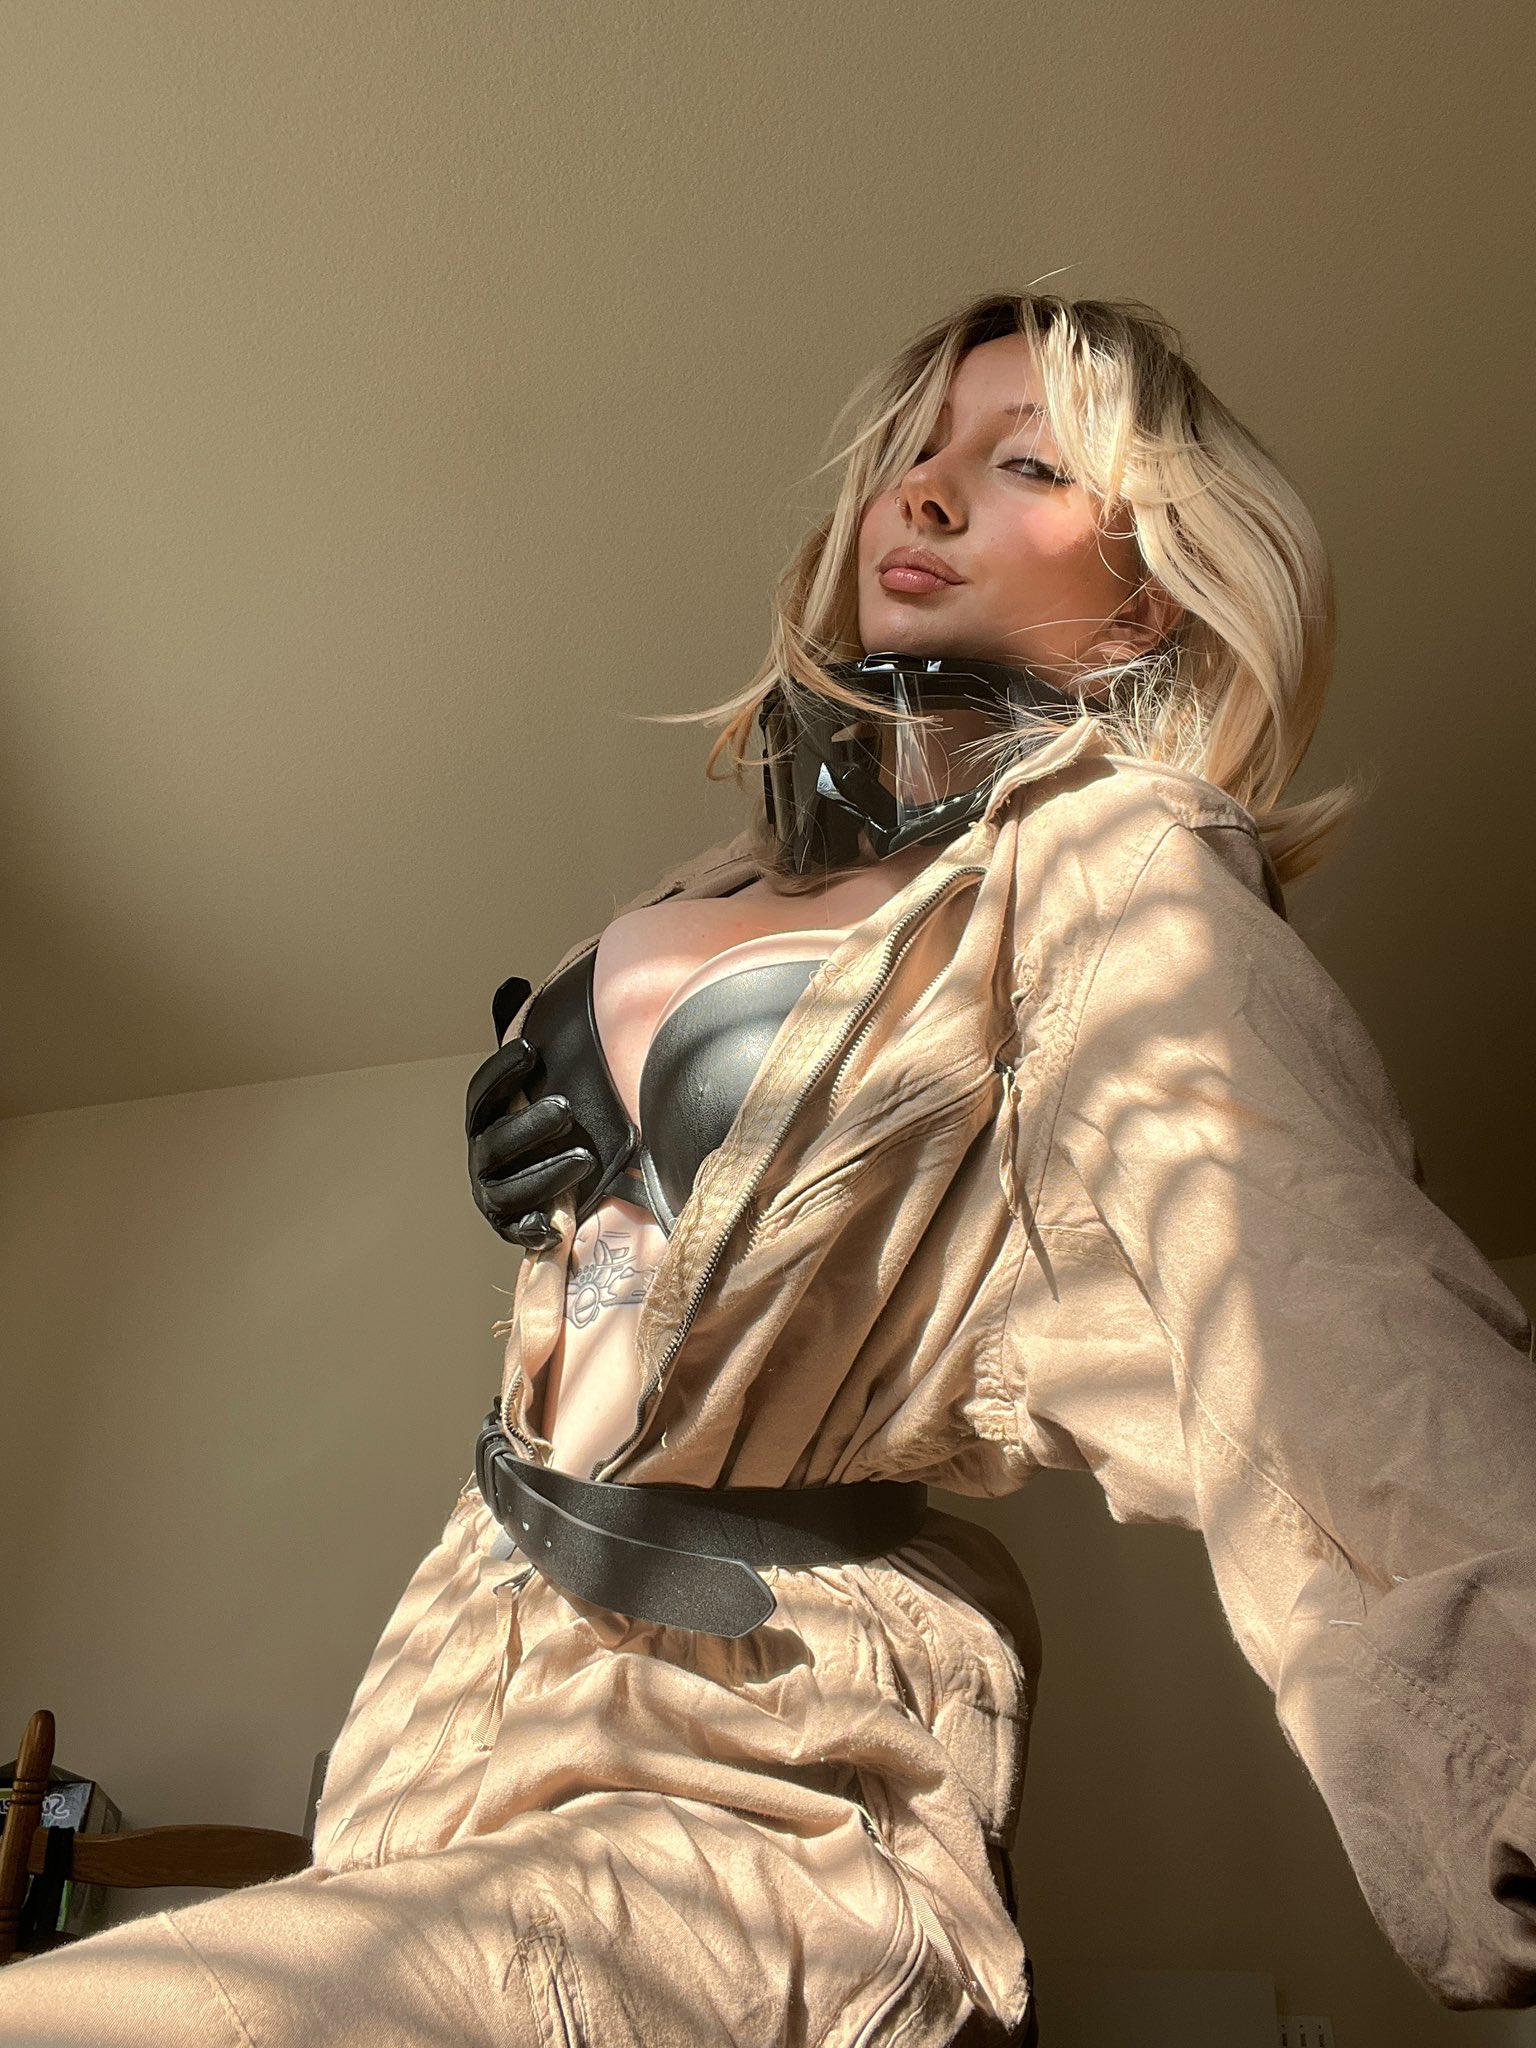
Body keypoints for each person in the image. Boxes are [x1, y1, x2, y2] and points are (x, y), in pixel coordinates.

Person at [3, 290, 1533, 2045]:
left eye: (1027, 464)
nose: (923, 494)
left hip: (750, 1767)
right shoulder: (723, 874)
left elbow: (1317, 1311)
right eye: (913, 454)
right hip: (436, 1716)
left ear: (1152, 600)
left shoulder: (1116, 871)